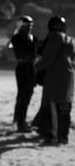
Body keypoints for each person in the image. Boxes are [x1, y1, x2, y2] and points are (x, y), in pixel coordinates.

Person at [35, 15, 75, 145]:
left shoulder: (55, 37)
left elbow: (48, 59)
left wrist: (37, 67)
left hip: (55, 77)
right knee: (65, 108)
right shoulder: (71, 40)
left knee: (54, 107)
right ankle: (63, 136)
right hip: (68, 78)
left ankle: (54, 136)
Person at [10, 15, 38, 132]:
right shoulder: (16, 38)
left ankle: (21, 120)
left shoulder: (33, 38)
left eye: (31, 25)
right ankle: (19, 122)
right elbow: (20, 53)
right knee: (22, 95)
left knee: (28, 94)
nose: (29, 28)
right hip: (22, 67)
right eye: (27, 25)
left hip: (31, 68)